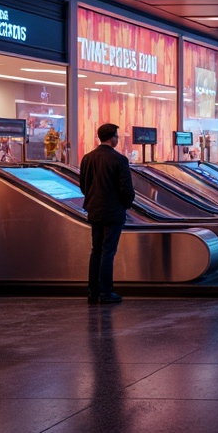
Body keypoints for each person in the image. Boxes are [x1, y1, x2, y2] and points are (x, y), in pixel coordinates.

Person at [79, 123, 134, 304]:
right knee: (108, 251)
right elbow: (126, 188)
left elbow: (83, 185)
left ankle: (92, 292)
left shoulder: (87, 158)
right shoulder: (119, 160)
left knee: (96, 251)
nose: (117, 139)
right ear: (112, 138)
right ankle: (106, 291)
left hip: (94, 210)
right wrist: (125, 205)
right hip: (113, 211)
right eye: (117, 136)